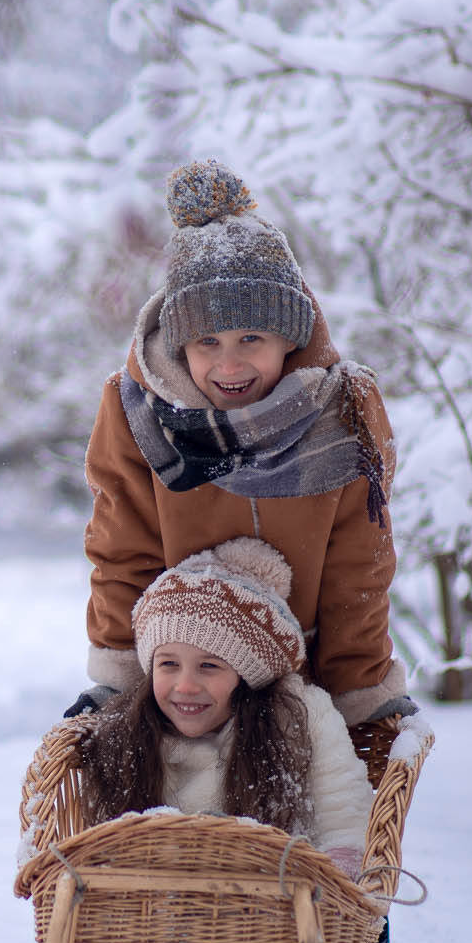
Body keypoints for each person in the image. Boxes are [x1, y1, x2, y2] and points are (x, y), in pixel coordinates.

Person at [71, 159, 414, 760]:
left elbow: (358, 565)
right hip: (181, 689)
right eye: (208, 343)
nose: (230, 367)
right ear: (181, 344)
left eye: (252, 339)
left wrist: (360, 690)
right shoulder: (137, 412)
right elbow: (123, 549)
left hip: (303, 683)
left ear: (290, 336)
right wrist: (121, 682)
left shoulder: (345, 409)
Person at [74, 537, 374, 876]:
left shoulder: (299, 717)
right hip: (155, 911)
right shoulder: (132, 732)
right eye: (168, 664)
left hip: (275, 903)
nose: (185, 686)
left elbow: (341, 806)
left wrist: (340, 868)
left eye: (209, 666)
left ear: (248, 676)